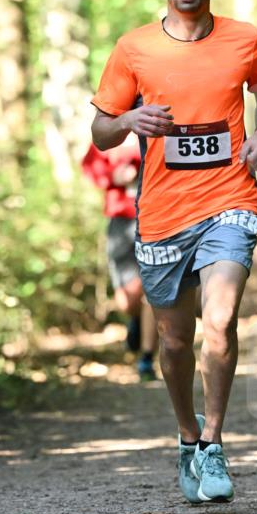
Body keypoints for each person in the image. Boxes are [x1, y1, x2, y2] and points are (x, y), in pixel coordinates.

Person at [90, 0, 257, 504]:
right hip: (163, 212)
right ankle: (186, 435)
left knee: (220, 320)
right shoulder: (134, 49)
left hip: (229, 200)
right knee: (175, 342)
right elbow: (100, 134)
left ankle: (215, 445)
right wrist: (129, 118)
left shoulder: (244, 39)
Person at [82, 134, 158, 380]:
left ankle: (146, 358)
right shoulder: (111, 131)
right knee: (127, 299)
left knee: (151, 289)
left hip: (156, 216)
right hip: (121, 221)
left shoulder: (156, 126)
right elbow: (90, 168)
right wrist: (113, 178)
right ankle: (135, 319)